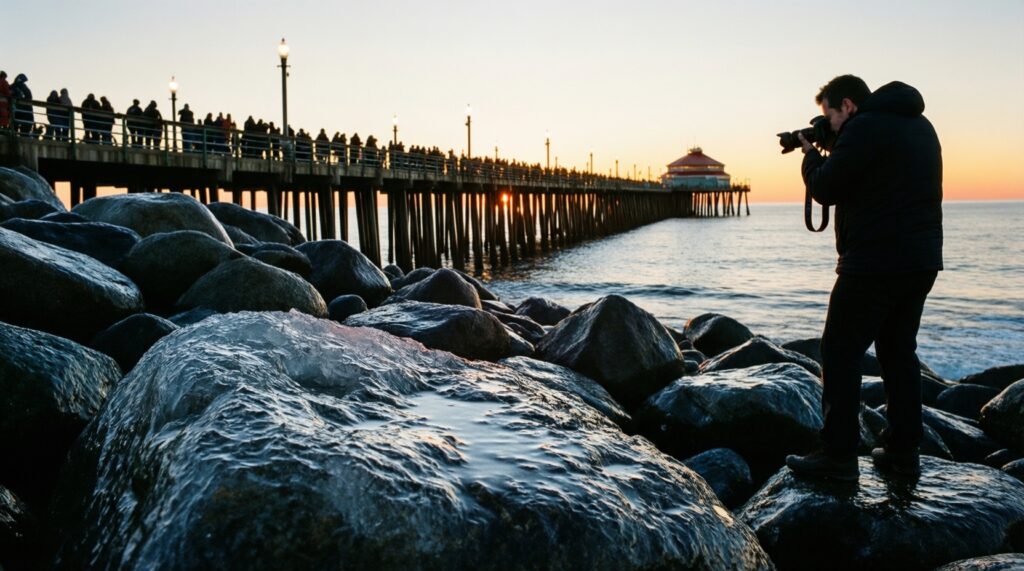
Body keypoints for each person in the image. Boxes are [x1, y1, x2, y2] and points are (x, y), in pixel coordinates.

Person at [784, 75, 943, 481]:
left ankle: (838, 456)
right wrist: (835, 143)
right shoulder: (920, 126)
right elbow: (876, 175)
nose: (830, 124)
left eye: (830, 116)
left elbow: (826, 187)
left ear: (848, 106)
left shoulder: (865, 127)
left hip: (874, 262)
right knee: (897, 351)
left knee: (839, 350)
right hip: (921, 261)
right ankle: (902, 451)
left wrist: (809, 155)